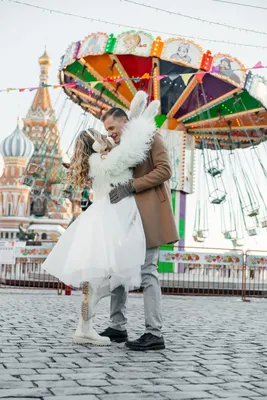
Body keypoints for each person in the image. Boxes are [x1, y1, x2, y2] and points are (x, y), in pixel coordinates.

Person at [42, 93, 159, 346]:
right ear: (94, 146)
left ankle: (84, 326)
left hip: (106, 219)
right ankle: (85, 324)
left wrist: (132, 116)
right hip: (114, 220)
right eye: (102, 135)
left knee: (101, 280)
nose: (107, 137)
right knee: (107, 280)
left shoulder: (100, 160)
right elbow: (134, 148)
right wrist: (142, 118)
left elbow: (126, 145)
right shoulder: (105, 162)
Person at [99, 101, 179, 351]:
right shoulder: (118, 147)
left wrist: (131, 186)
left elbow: (165, 170)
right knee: (117, 269)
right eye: (106, 129)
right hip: (125, 216)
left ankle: (154, 333)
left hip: (149, 214)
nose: (110, 132)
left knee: (148, 271)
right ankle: (117, 326)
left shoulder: (150, 137)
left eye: (112, 127)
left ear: (124, 121)